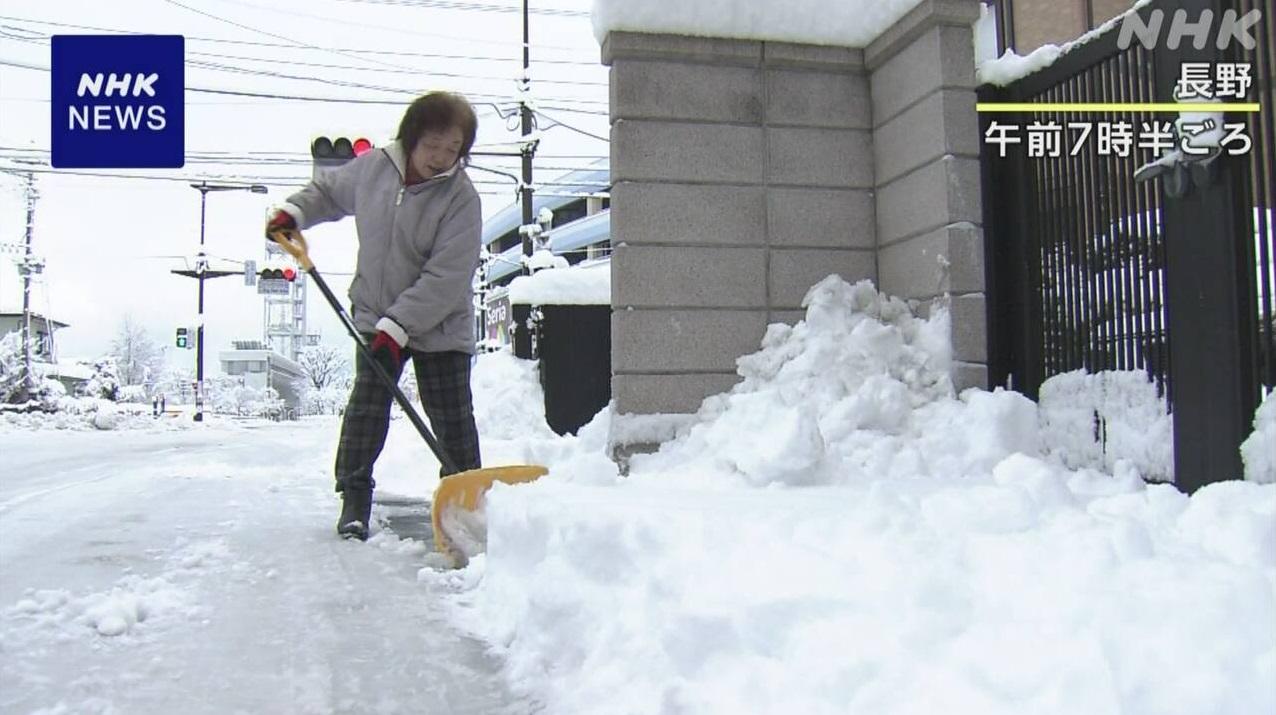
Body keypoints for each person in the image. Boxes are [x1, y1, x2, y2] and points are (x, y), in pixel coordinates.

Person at [265, 92, 484, 541]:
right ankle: (355, 498)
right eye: (433, 146)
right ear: (412, 136)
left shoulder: (462, 199)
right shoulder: (374, 169)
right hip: (375, 312)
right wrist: (296, 211)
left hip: (439, 323)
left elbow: (447, 276)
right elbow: (328, 192)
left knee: (451, 419)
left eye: (453, 151)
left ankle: (467, 503)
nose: (441, 159)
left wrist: (400, 327)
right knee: (367, 406)